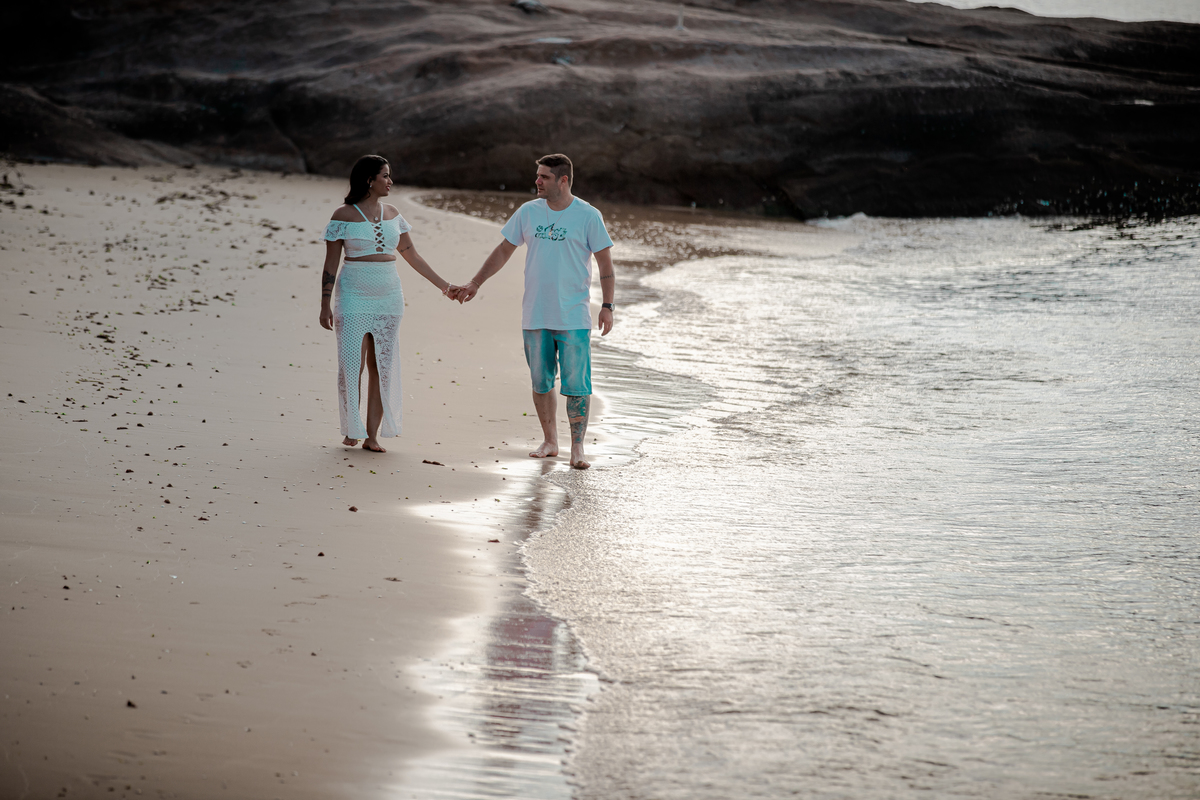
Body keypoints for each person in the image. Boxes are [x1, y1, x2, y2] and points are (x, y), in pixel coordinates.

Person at [452, 154, 615, 469]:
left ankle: (577, 448)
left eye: (544, 177)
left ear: (563, 180)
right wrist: (475, 282)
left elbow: (605, 264)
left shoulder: (588, 215)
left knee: (577, 385)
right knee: (541, 382)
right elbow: (503, 251)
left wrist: (607, 306)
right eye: (538, 175)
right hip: (535, 314)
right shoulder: (528, 212)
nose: (537, 181)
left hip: (573, 316)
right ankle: (550, 441)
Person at [320, 154, 457, 453]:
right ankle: (351, 428)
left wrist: (445, 287)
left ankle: (372, 436)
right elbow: (331, 263)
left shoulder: (394, 214)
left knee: (381, 365)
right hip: (353, 293)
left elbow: (413, 256)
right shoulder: (343, 215)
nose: (390, 181)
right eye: (385, 176)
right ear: (369, 179)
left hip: (389, 295)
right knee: (351, 365)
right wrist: (324, 304)